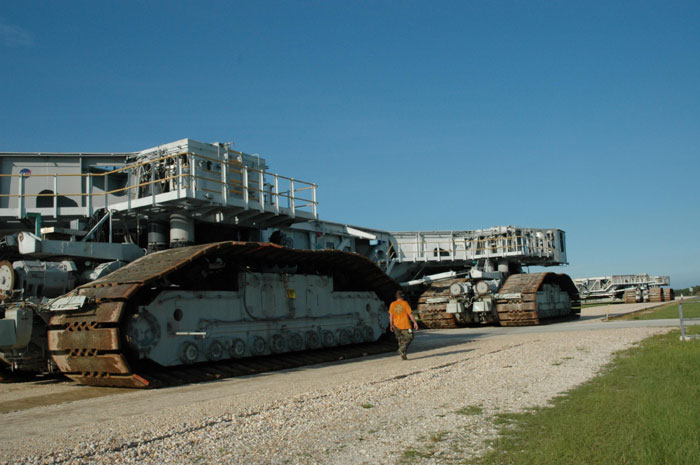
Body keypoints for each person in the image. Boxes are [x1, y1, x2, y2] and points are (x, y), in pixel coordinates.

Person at [388, 290, 419, 360]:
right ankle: (401, 350)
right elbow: (410, 313)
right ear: (403, 296)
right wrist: (415, 322)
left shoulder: (392, 304)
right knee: (410, 337)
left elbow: (391, 316)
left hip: (396, 325)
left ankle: (403, 355)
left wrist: (391, 325)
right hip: (405, 325)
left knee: (400, 340)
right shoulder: (405, 303)